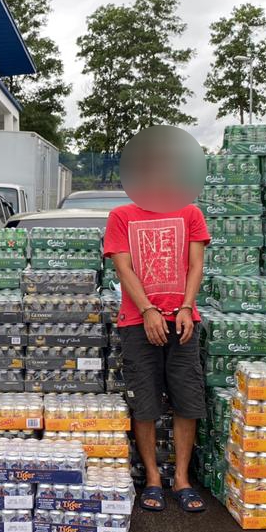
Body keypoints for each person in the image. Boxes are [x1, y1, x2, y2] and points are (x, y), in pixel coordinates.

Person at [103, 191, 210, 514]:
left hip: (182, 320)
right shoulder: (121, 216)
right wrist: (148, 310)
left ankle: (181, 480)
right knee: (145, 404)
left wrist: (187, 307)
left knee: (187, 401)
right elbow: (124, 268)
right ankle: (152, 478)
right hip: (136, 322)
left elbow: (195, 265)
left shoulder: (190, 213)